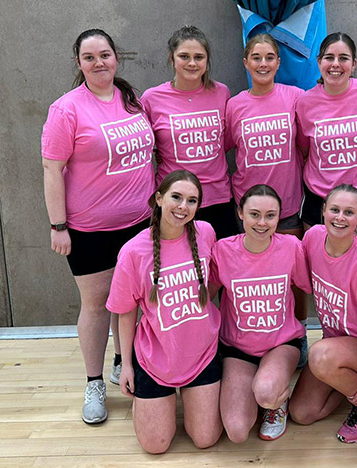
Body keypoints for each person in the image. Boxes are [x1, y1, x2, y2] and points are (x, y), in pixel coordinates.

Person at [41, 29, 155, 424]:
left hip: (140, 223)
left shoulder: (130, 100)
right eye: (89, 57)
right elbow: (52, 169)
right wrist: (59, 225)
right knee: (96, 304)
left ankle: (124, 362)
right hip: (90, 229)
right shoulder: (66, 109)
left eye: (104, 54)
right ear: (79, 63)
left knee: (134, 301)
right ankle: (94, 383)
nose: (99, 62)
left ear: (116, 57)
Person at [106, 170, 222, 453]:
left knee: (205, 438)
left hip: (202, 353)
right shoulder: (134, 251)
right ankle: (153, 402)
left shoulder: (205, 233)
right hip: (155, 357)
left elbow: (213, 281)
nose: (183, 207)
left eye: (192, 201)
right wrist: (126, 365)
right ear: (159, 198)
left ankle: (187, 396)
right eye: (176, 197)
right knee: (155, 445)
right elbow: (125, 312)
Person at [225, 33, 309, 367]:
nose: (263, 64)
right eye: (256, 57)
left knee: (292, 276)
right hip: (245, 209)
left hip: (286, 208)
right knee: (248, 278)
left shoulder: (295, 98)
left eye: (270, 57)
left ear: (278, 62)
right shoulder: (234, 105)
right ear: (246, 63)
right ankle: (242, 340)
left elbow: (303, 145)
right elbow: (230, 150)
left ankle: (296, 335)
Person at [210, 185, 311, 442]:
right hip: (238, 347)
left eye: (270, 215)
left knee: (266, 393)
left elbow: (303, 288)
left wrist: (300, 326)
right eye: (255, 214)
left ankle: (278, 400)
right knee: (236, 431)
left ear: (279, 217)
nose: (262, 222)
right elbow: (205, 297)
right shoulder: (222, 250)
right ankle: (256, 386)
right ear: (240, 213)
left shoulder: (291, 247)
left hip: (281, 342)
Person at [289, 184, 357, 443]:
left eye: (348, 212)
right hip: (336, 347)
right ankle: (349, 386)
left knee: (319, 355)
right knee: (302, 413)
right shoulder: (313, 238)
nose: (340, 218)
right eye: (334, 210)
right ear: (323, 211)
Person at [141, 25, 236, 240]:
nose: (192, 63)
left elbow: (227, 140)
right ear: (171, 58)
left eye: (199, 57)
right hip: (175, 203)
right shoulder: (152, 98)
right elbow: (145, 147)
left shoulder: (221, 92)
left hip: (218, 198)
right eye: (184, 56)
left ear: (206, 61)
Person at [296, 32, 357, 254]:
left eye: (343, 58)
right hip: (320, 196)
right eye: (329, 57)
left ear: (354, 64)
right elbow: (304, 148)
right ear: (319, 62)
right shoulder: (305, 102)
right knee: (321, 270)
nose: (335, 64)